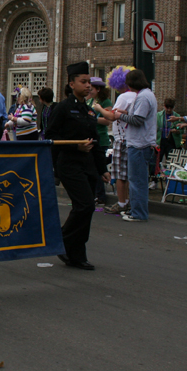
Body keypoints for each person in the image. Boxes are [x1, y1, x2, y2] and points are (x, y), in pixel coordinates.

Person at [45, 62, 110, 270]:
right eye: (83, 82)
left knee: (86, 210)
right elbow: (51, 137)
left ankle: (77, 254)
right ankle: (61, 241)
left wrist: (103, 169)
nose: (88, 85)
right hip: (69, 164)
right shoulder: (62, 108)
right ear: (71, 84)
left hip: (88, 166)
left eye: (89, 82)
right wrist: (75, 146)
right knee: (85, 205)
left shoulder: (89, 111)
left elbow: (96, 141)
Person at [113, 69, 157, 222]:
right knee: (138, 180)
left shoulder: (144, 97)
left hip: (139, 144)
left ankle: (138, 213)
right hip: (140, 143)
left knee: (137, 181)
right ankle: (137, 210)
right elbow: (138, 116)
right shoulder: (146, 95)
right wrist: (126, 112)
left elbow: (138, 120)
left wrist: (120, 116)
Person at [95, 65, 135, 215]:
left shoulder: (124, 97)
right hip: (132, 139)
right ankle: (130, 202)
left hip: (121, 139)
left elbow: (111, 116)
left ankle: (122, 202)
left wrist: (99, 109)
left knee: (119, 174)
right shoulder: (138, 96)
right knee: (131, 174)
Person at [87, 77, 112, 205]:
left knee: (98, 169)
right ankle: (92, 195)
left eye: (91, 89)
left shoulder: (105, 102)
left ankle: (101, 196)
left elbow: (107, 120)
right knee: (90, 169)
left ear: (98, 89)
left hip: (100, 139)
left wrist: (92, 119)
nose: (89, 91)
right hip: (90, 138)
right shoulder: (91, 100)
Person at [157, 98, 183, 164]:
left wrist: (176, 130)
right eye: (167, 107)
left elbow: (180, 129)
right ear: (164, 106)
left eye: (171, 108)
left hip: (171, 141)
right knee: (157, 161)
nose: (169, 110)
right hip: (160, 141)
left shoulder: (177, 116)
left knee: (171, 161)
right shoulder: (159, 115)